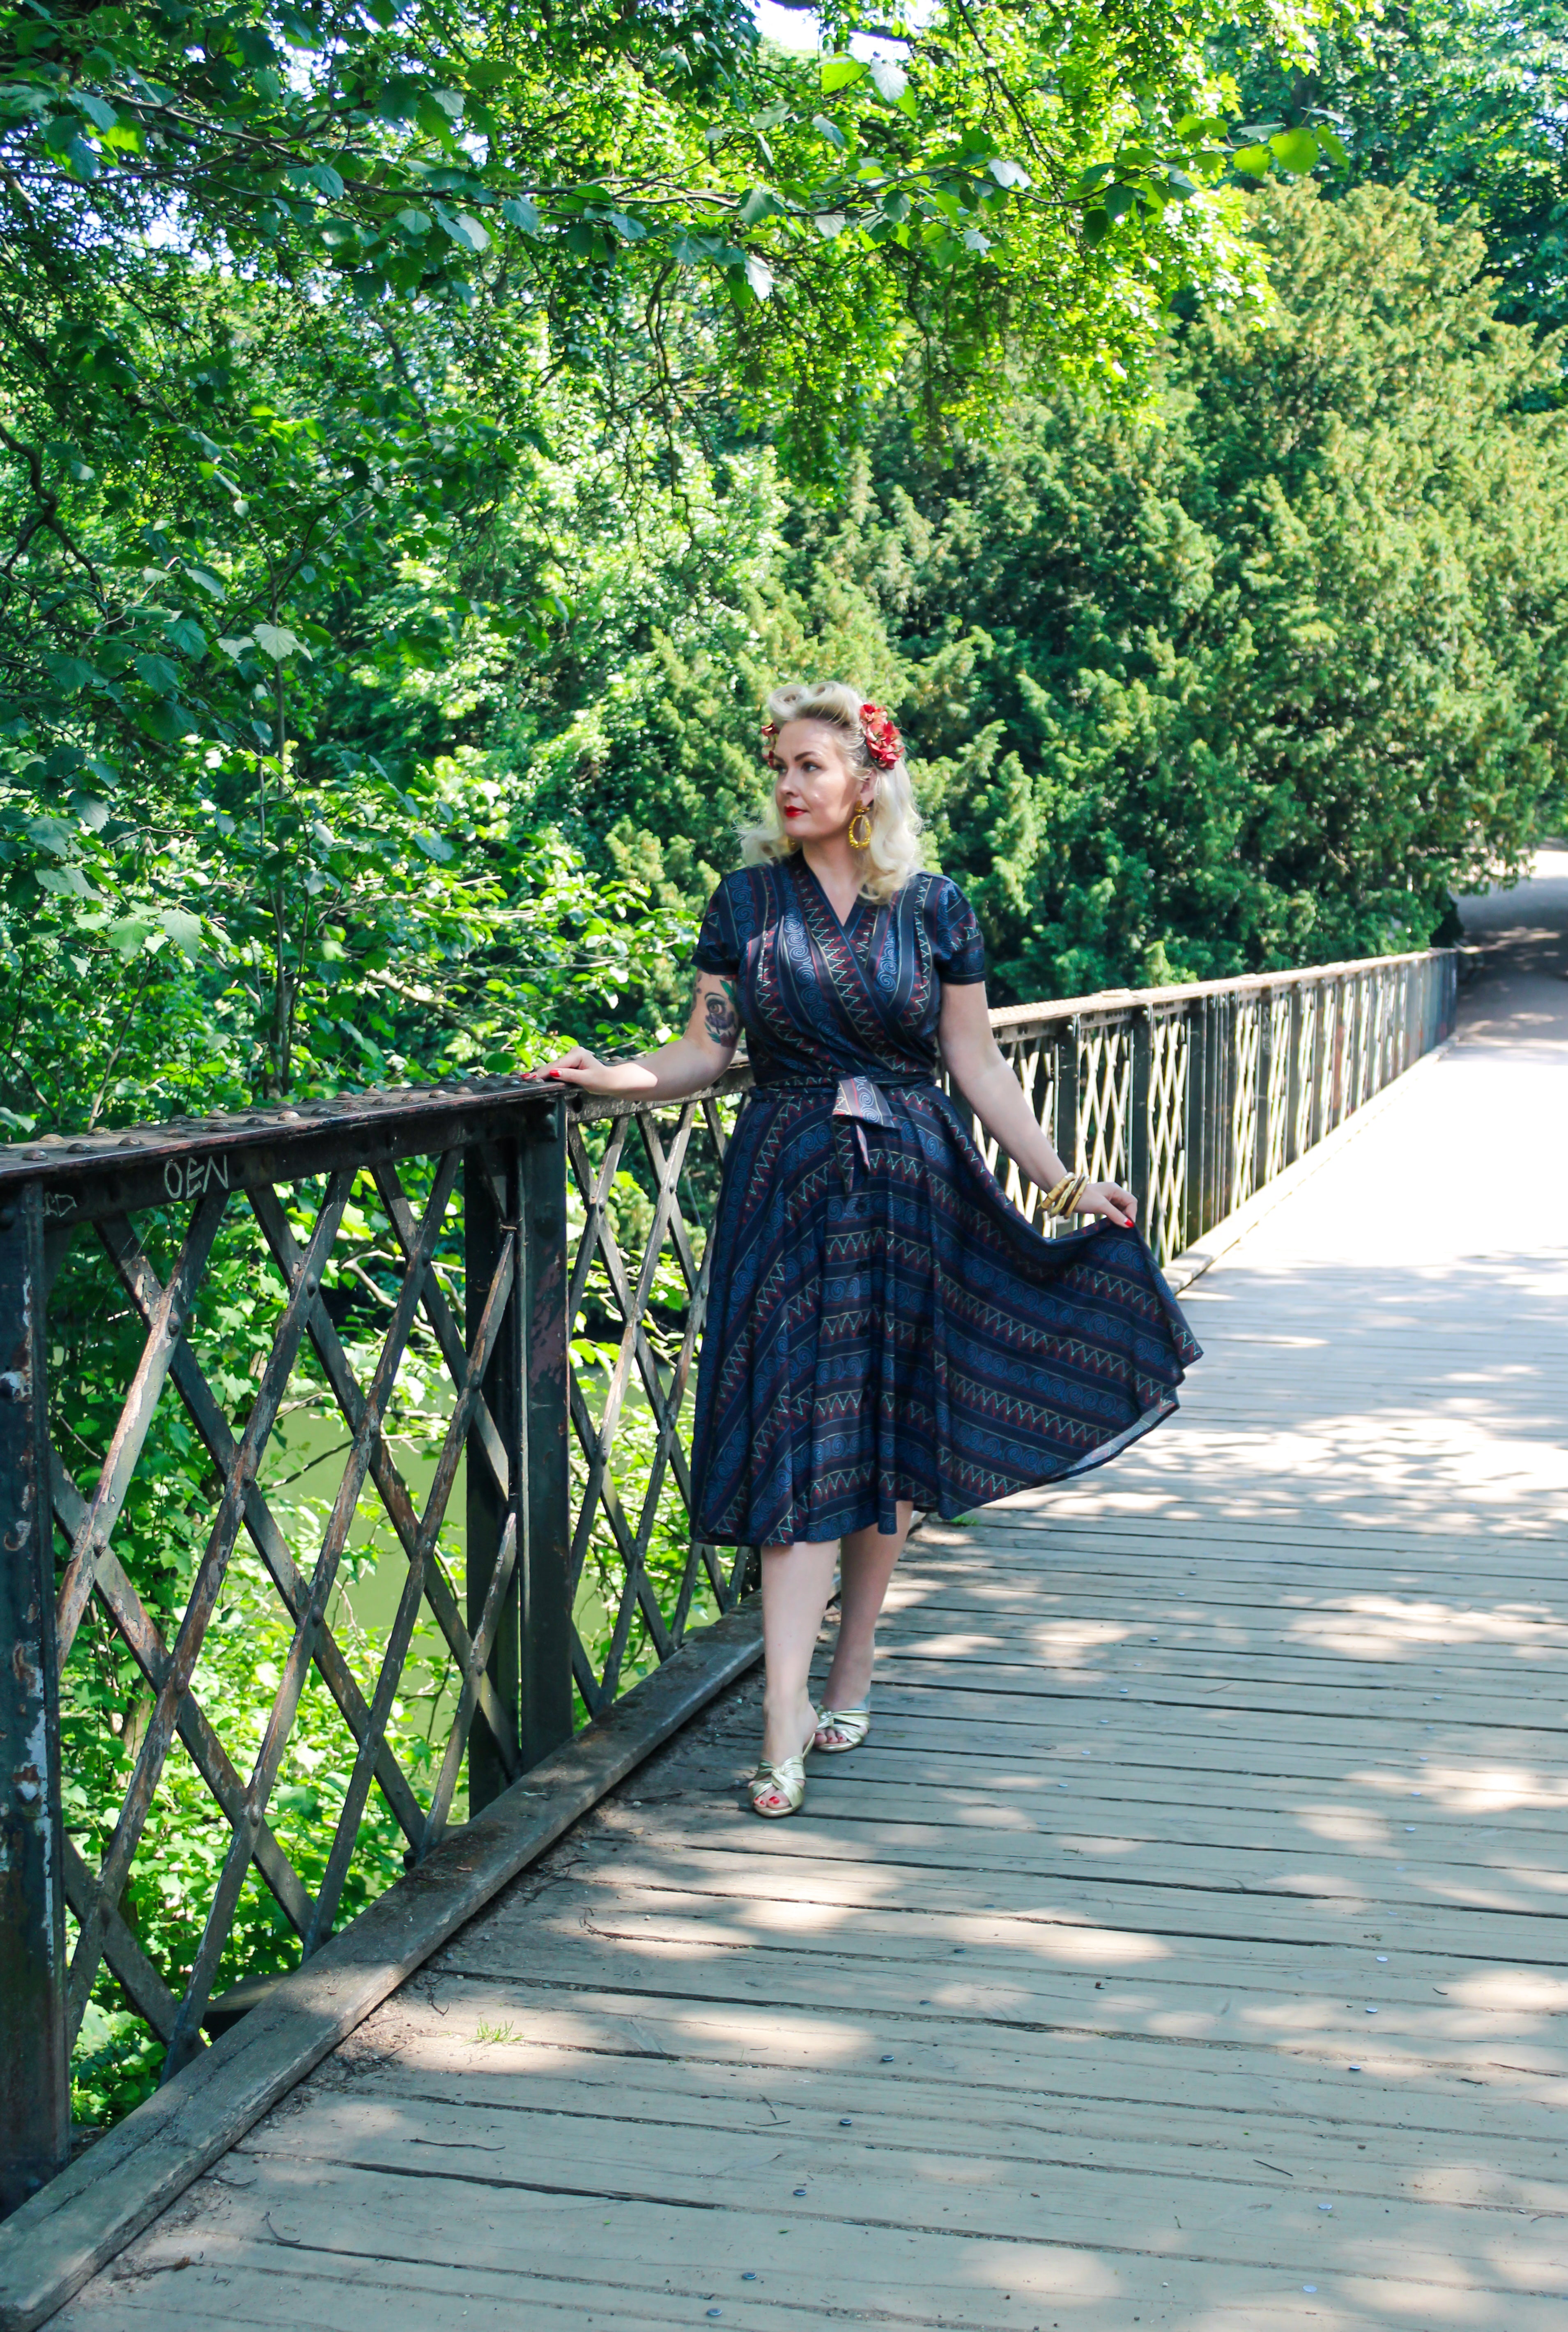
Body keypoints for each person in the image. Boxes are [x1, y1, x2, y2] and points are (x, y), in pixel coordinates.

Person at [532, 681, 1200, 1817]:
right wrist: (613, 1077)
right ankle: (783, 1713)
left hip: (912, 1190)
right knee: (797, 1437)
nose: (787, 786)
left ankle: (853, 1664)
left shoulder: (934, 908)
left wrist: (1064, 1182)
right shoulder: (746, 904)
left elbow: (976, 1063)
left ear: (865, 783)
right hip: (787, 1194)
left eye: (809, 765)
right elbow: (703, 1052)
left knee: (886, 1434)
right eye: (779, 768)